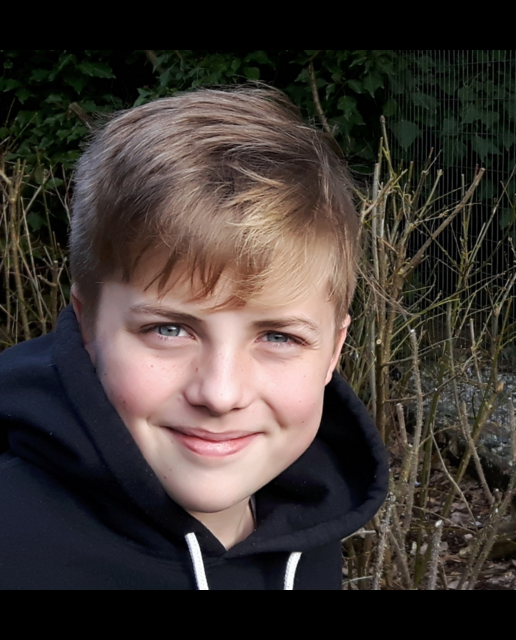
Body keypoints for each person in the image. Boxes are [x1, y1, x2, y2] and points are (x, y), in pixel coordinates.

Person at [0, 87, 388, 589]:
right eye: (169, 329)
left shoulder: (307, 530)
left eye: (278, 337)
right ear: (87, 327)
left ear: (333, 351)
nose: (221, 394)